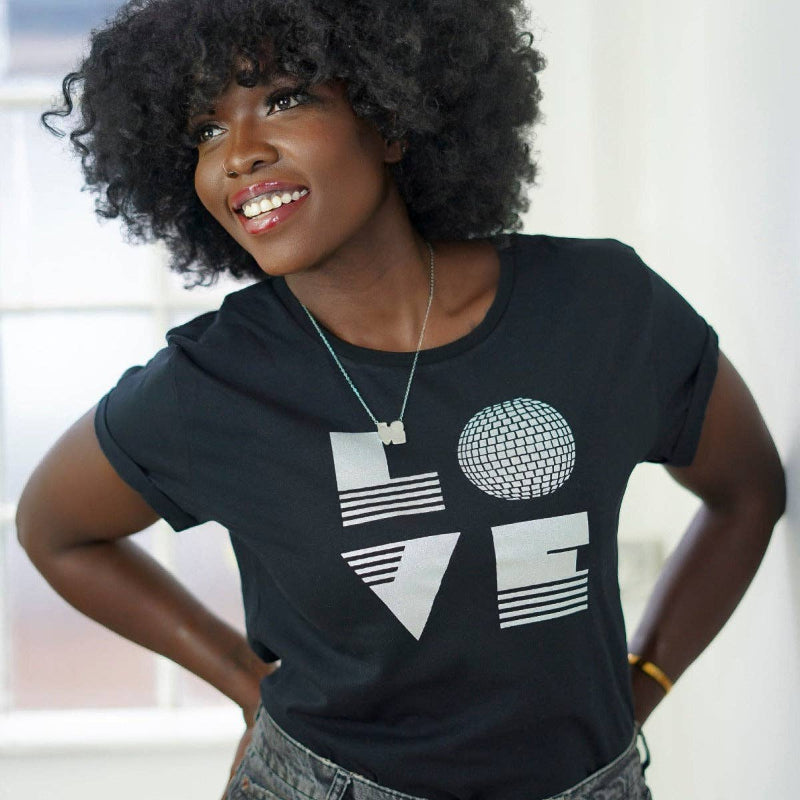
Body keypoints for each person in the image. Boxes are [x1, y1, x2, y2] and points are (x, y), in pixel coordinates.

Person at [16, 1, 785, 799]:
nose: (239, 154)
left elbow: (749, 492)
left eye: (283, 98)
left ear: (391, 120)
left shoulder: (603, 308)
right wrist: (241, 678)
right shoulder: (210, 382)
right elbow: (55, 530)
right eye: (206, 130)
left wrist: (647, 675)